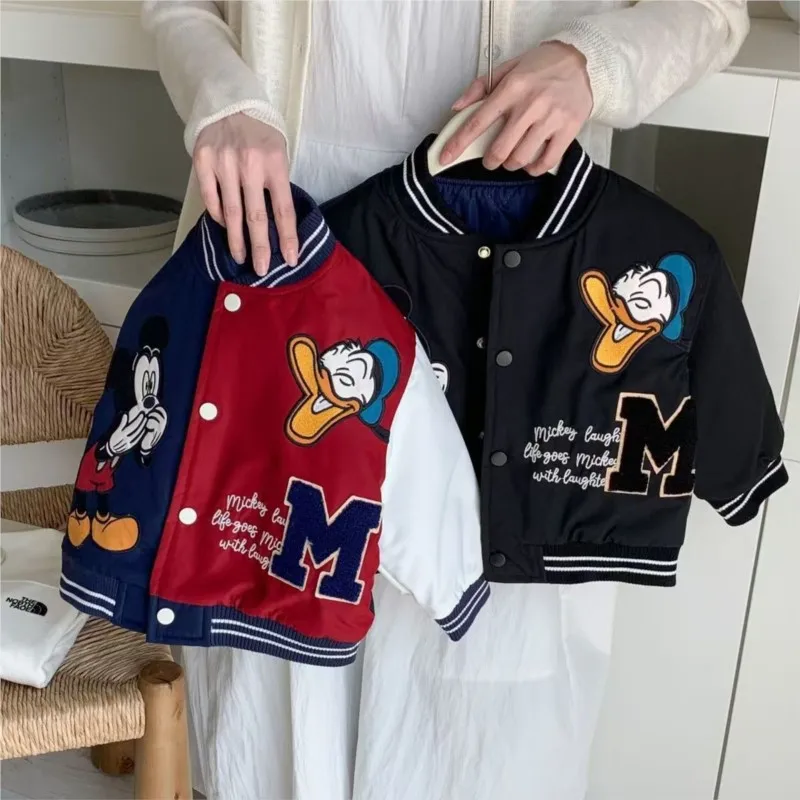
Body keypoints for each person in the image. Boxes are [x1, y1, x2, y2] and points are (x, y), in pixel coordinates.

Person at [142, 2, 749, 798]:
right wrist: (223, 97)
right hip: (286, 226)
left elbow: (714, 11)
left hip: (519, 269)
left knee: (483, 700)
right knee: (277, 677)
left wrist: (593, 62)